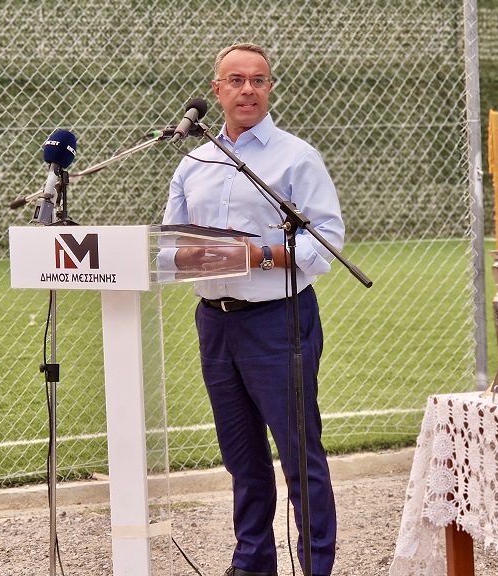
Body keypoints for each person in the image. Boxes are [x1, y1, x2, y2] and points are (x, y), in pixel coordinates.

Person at [161, 43, 343, 576]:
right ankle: (252, 563)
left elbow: (326, 244)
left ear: (269, 89)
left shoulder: (295, 157)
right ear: (215, 90)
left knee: (298, 455)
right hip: (215, 324)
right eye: (235, 80)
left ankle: (316, 566)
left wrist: (259, 254)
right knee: (242, 458)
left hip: (277, 322)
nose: (247, 89)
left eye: (258, 80)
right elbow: (169, 249)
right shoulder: (194, 161)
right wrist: (189, 256)